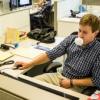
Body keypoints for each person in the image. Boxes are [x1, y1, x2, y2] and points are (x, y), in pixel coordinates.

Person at [16, 14, 100, 93]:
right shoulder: (71, 39)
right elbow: (51, 54)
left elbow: (96, 80)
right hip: (60, 76)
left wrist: (71, 82)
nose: (80, 35)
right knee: (29, 85)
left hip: (78, 85)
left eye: (85, 32)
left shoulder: (98, 50)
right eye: (79, 30)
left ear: (95, 33)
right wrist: (30, 63)